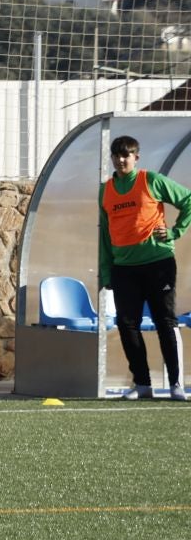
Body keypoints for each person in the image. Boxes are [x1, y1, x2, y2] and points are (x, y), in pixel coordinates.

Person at [98, 133, 191, 400]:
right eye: (116, 155)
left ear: (136, 158)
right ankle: (142, 385)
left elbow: (188, 201)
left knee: (165, 322)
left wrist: (174, 232)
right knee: (127, 324)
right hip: (123, 268)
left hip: (158, 263)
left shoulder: (151, 180)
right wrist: (107, 270)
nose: (120, 159)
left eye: (125, 154)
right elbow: (105, 233)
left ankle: (176, 385)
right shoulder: (105, 191)